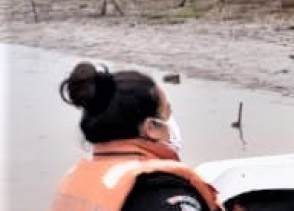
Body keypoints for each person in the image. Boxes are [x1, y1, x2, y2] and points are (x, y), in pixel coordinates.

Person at [51, 61, 222, 211]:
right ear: (151, 128)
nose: (171, 122)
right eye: (167, 112)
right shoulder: (164, 194)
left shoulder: (77, 181)